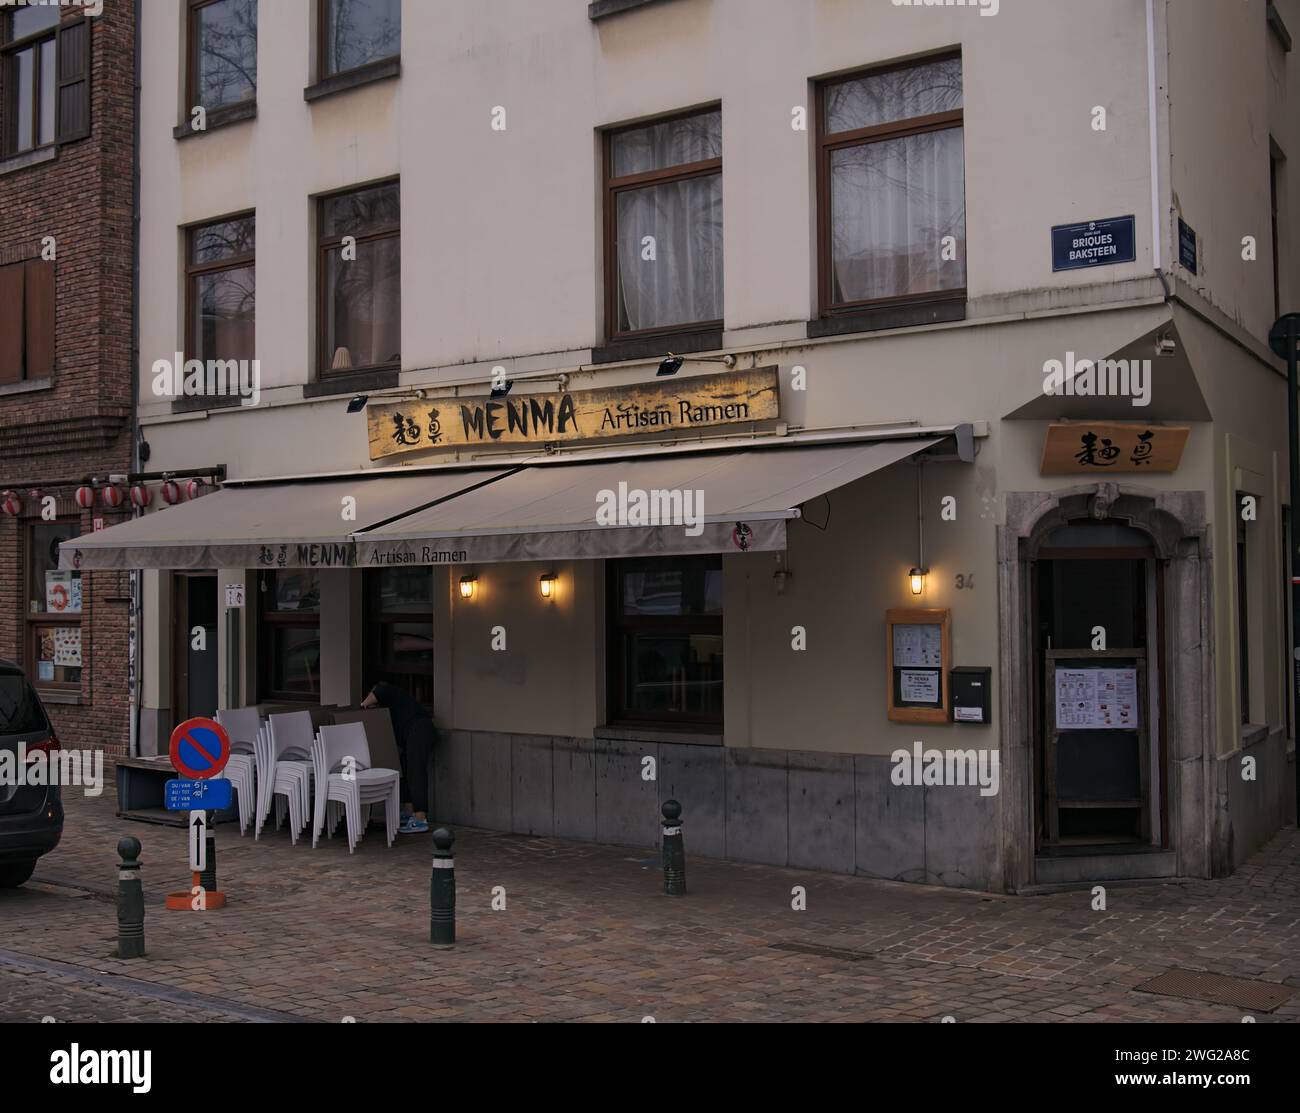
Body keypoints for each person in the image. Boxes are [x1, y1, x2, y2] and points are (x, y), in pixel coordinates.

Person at [361, 680, 435, 834]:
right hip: (412, 734)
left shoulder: (389, 692)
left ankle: (420, 819)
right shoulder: (393, 711)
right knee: (405, 767)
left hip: (419, 731)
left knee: (416, 772)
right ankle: (409, 813)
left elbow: (380, 690)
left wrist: (363, 706)